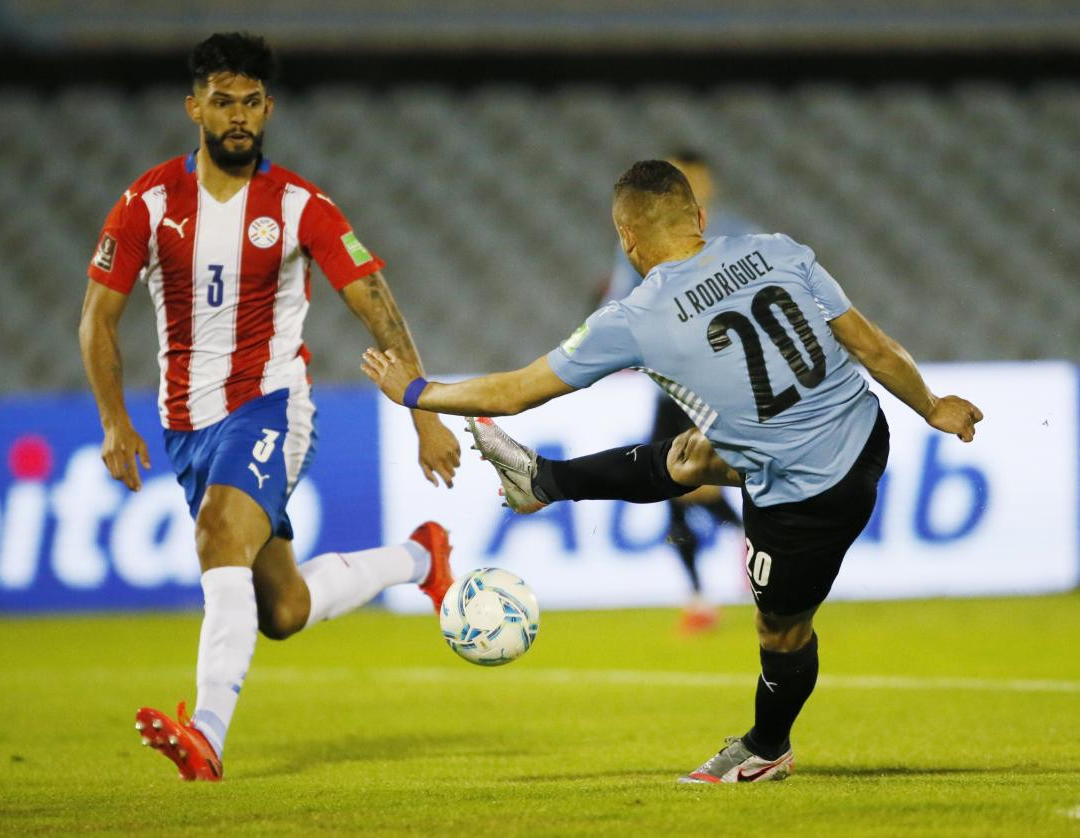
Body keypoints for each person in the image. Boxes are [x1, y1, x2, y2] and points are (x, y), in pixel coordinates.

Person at [361, 160, 982, 784]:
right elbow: (872, 346)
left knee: (781, 630)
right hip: (866, 432)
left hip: (806, 496)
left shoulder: (636, 318)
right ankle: (543, 481)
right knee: (692, 454)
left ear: (626, 238)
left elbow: (515, 391)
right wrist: (932, 406)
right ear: (701, 220)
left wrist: (416, 390)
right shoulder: (779, 251)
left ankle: (768, 748)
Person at [79, 33, 461, 782]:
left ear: (269, 108)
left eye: (252, 101)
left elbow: (377, 306)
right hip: (187, 426)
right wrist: (112, 419)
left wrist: (424, 411)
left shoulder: (299, 206)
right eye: (223, 100)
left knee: (220, 534)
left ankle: (208, 736)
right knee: (281, 610)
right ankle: (421, 556)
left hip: (271, 407)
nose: (239, 116)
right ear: (195, 107)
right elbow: (97, 317)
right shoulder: (149, 202)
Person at [600, 149, 757, 632]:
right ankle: (703, 591)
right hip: (672, 388)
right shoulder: (641, 241)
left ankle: (745, 545)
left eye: (691, 180)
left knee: (688, 480)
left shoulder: (737, 234)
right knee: (671, 485)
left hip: (724, 385)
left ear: (704, 189)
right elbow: (619, 300)